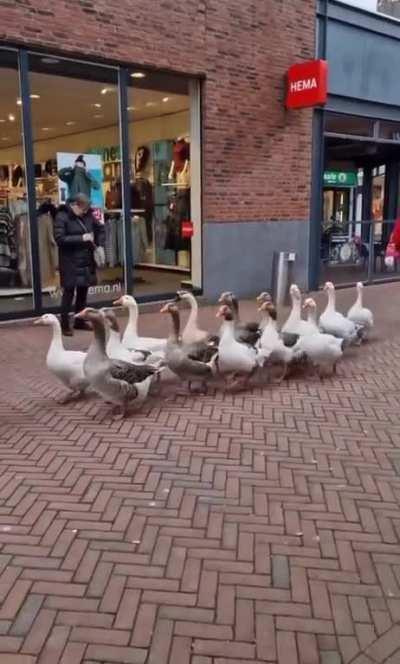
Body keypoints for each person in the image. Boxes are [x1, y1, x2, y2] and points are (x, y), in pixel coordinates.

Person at [54, 193, 105, 336]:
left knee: (83, 293)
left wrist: (100, 244)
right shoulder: (62, 216)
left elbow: (101, 228)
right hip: (69, 261)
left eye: (86, 210)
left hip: (86, 260)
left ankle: (79, 321)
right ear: (75, 205)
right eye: (82, 210)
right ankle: (64, 325)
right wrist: (81, 238)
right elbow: (59, 239)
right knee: (68, 293)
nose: (84, 213)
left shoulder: (88, 214)